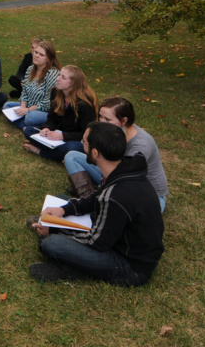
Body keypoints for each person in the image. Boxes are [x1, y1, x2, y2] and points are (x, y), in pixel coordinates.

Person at [29, 122, 164, 286]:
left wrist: (55, 230)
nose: (81, 144)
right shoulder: (124, 168)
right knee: (62, 201)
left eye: (84, 142)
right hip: (119, 239)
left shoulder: (116, 195)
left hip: (131, 267)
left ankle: (71, 268)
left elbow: (96, 241)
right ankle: (52, 227)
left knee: (51, 244)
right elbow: (95, 198)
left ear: (95, 152)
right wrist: (63, 211)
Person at [63, 97, 168, 209]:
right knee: (72, 156)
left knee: (131, 215)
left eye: (107, 119)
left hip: (147, 194)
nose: (101, 121)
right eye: (100, 116)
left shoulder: (141, 146)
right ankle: (88, 195)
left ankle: (97, 198)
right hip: (113, 175)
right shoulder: (110, 132)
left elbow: (124, 179)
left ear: (123, 121)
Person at [22, 64, 98, 162]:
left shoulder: (85, 104)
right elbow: (52, 118)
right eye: (59, 75)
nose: (58, 79)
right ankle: (58, 153)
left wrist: (63, 136)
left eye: (63, 77)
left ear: (73, 83)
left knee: (71, 147)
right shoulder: (56, 92)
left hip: (75, 140)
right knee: (29, 131)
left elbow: (86, 134)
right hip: (56, 136)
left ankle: (40, 151)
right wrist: (46, 128)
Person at [3, 40, 61, 130]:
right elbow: (24, 92)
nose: (36, 55)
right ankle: (28, 127)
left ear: (48, 58)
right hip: (28, 106)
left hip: (44, 111)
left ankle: (30, 126)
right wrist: (22, 107)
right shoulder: (30, 69)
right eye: (36, 52)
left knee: (30, 117)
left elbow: (48, 102)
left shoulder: (52, 73)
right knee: (7, 106)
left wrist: (27, 110)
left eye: (41, 55)